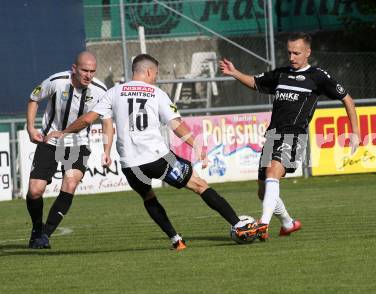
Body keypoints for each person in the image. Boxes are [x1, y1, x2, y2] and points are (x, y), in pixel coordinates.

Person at [45, 54, 257, 251]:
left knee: (148, 197)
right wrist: (197, 145)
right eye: (155, 74)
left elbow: (87, 119)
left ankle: (175, 239)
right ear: (147, 72)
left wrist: (63, 132)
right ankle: (238, 224)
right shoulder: (157, 93)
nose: (155, 78)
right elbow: (176, 125)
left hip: (130, 165)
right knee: (200, 186)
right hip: (158, 159)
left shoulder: (114, 92)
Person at [219, 32, 360, 241]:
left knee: (273, 172)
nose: (292, 57)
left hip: (294, 135)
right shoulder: (281, 74)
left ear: (308, 52)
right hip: (273, 135)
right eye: (289, 53)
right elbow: (257, 83)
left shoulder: (318, 77)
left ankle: (262, 225)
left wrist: (355, 131)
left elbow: (347, 98)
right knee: (262, 190)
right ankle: (288, 223)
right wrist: (235, 73)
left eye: (296, 53)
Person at [26, 51, 108, 249]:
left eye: (92, 71)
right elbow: (33, 98)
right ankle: (37, 229)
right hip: (51, 140)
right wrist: (30, 128)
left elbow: (107, 121)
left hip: (78, 144)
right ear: (74, 69)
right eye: (84, 70)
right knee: (35, 191)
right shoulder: (57, 81)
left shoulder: (100, 90)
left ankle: (45, 235)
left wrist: (107, 149)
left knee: (70, 183)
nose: (89, 75)